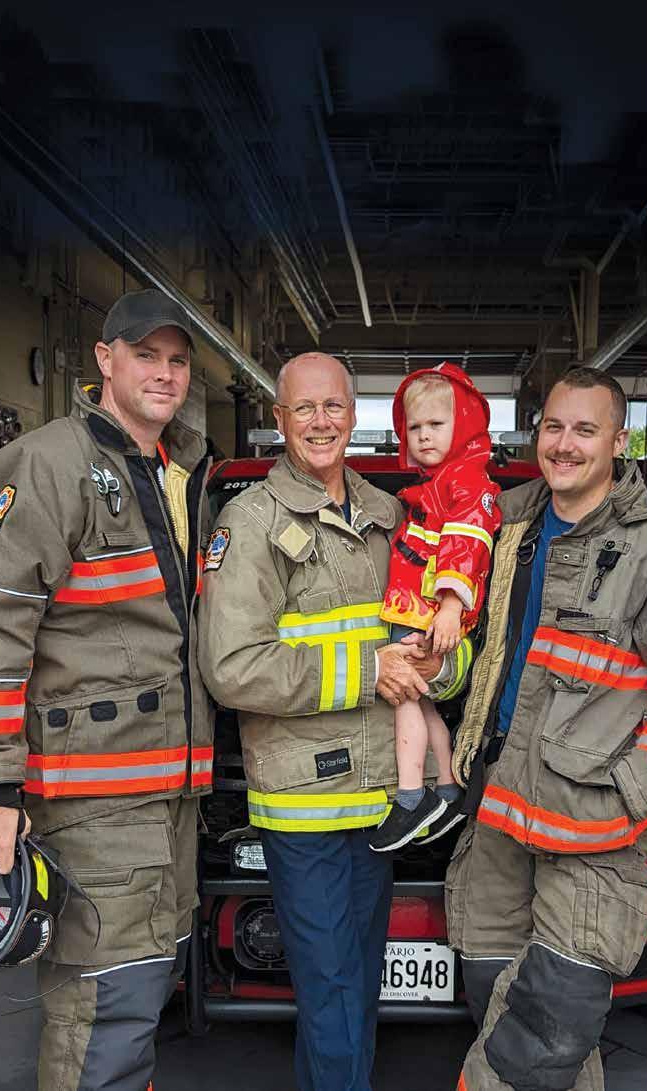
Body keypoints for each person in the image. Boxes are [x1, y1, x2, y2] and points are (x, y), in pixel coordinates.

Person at [0, 288, 214, 1091]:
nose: (164, 373)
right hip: (94, 800)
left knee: (140, 992)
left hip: (167, 796)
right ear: (105, 359)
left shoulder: (176, 470)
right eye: (146, 355)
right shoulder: (55, 462)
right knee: (103, 1011)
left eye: (178, 360)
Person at [445, 367, 647, 1091]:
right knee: (506, 1009)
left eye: (585, 429)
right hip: (499, 817)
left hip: (593, 830)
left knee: (545, 1031)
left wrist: (637, 788)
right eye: (553, 426)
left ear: (618, 441)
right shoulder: (509, 524)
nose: (564, 444)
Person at [197, 351, 471, 1091]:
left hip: (380, 804)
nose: (321, 422)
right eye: (304, 408)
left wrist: (438, 665)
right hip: (304, 807)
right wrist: (369, 672)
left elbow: (446, 633)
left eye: (334, 407)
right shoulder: (251, 521)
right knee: (333, 992)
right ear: (279, 419)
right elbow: (231, 667)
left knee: (353, 992)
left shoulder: (392, 514)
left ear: (355, 416)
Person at [369, 364, 501, 852]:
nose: (423, 436)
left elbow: (467, 544)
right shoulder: (442, 480)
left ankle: (410, 798)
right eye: (415, 427)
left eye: (436, 424)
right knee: (422, 702)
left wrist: (449, 607)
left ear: (462, 425)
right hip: (416, 607)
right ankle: (446, 789)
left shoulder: (465, 482)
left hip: (423, 611)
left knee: (404, 696)